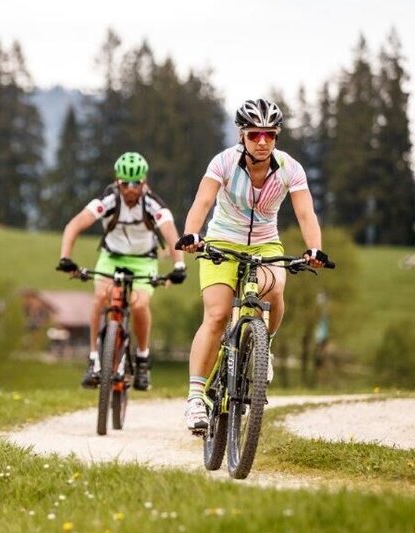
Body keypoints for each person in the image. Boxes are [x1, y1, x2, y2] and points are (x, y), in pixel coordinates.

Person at [175, 99, 330, 432]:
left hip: (265, 242)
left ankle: (263, 347)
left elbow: (305, 213)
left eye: (270, 135)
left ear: (276, 137)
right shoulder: (224, 163)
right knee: (216, 315)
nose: (262, 141)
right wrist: (191, 234)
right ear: (242, 135)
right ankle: (194, 399)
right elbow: (202, 202)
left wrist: (314, 248)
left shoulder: (290, 168)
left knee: (275, 290)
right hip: (221, 242)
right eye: (255, 134)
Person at [56, 152, 186, 391]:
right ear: (117, 181)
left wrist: (179, 266)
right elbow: (74, 225)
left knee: (138, 305)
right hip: (111, 257)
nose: (130, 189)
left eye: (136, 183)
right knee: (98, 298)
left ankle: (143, 358)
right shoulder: (108, 200)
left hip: (143, 261)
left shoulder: (153, 204)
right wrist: (65, 257)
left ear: (144, 182)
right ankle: (95, 359)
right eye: (125, 183)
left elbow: (170, 233)